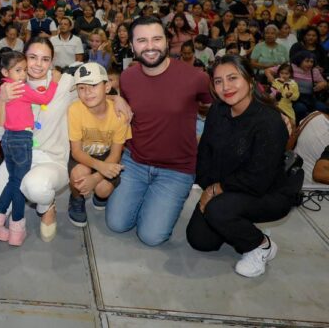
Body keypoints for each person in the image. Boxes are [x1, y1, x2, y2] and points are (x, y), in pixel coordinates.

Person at [0, 37, 130, 243]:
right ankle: (21, 203)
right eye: (32, 57)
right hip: (17, 157)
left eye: (45, 59)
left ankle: (46, 205)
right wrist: (2, 101)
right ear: (24, 57)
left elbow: (92, 93)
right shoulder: (9, 86)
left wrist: (116, 97)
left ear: (52, 60)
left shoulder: (64, 83)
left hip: (51, 159)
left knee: (36, 187)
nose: (38, 64)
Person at [186, 56, 299, 278]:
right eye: (218, 81)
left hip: (267, 192)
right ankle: (240, 223)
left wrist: (214, 191)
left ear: (249, 81)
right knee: (200, 241)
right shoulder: (218, 111)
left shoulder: (269, 121)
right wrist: (207, 186)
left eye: (232, 78)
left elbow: (258, 180)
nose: (225, 87)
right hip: (228, 188)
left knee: (218, 210)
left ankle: (261, 245)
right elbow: (205, 154)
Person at [106, 16, 212, 246]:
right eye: (142, 40)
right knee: (116, 224)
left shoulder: (195, 78)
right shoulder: (127, 77)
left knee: (151, 237)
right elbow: (127, 103)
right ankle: (146, 198)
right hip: (134, 162)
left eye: (157, 39)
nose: (151, 46)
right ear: (132, 46)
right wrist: (115, 97)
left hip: (176, 170)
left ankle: (155, 201)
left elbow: (220, 103)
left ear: (167, 42)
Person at [0, 51, 58, 246]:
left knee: (13, 181)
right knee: (18, 185)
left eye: (24, 70)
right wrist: (55, 82)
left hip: (8, 139)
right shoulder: (20, 88)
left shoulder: (3, 87)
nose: (23, 74)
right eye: (18, 70)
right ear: (5, 71)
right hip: (22, 139)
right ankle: (16, 228)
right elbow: (44, 98)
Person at [66, 63, 131, 227]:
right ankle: (76, 198)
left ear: (107, 86)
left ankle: (99, 196)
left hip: (107, 155)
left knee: (103, 189)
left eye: (93, 85)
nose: (87, 92)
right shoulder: (75, 110)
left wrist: (96, 178)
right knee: (79, 176)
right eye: (81, 88)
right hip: (83, 154)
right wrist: (98, 167)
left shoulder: (119, 115)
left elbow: (116, 154)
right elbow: (76, 152)